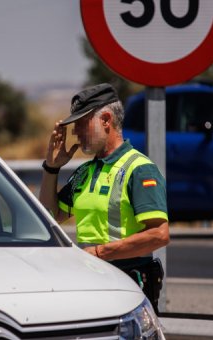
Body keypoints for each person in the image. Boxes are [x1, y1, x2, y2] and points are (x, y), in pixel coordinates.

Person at [38, 83, 170, 312]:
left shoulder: (139, 169)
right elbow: (50, 216)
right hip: (93, 284)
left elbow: (159, 234)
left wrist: (100, 253)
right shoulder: (85, 171)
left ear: (106, 120)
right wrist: (51, 168)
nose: (77, 133)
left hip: (129, 287)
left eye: (81, 124)